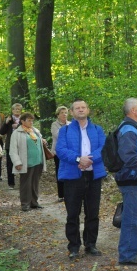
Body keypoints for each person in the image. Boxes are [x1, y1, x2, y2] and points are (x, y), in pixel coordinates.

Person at [55, 99, 107, 260]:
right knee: (73, 213)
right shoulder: (65, 131)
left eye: (83, 107)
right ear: (71, 112)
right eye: (77, 108)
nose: (80, 110)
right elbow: (61, 150)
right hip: (72, 176)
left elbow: (104, 148)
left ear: (88, 110)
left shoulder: (97, 129)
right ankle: (74, 246)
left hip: (93, 175)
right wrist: (78, 159)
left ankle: (90, 244)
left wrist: (90, 159)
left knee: (92, 212)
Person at [115, 98, 137, 265]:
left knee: (135, 216)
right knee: (133, 218)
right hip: (131, 178)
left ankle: (132, 249)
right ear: (133, 110)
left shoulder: (134, 127)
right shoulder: (129, 129)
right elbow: (128, 156)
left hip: (136, 177)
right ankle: (127, 255)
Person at [9, 113, 48, 212]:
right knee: (25, 183)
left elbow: (39, 141)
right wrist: (17, 162)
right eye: (29, 120)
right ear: (22, 121)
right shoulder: (17, 133)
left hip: (38, 161)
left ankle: (34, 202)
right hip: (26, 162)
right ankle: (25, 204)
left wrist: (43, 141)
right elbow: (13, 150)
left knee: (35, 183)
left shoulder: (35, 130)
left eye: (32, 120)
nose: (31, 122)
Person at [0, 103, 23, 189]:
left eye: (19, 109)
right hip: (10, 144)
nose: (17, 111)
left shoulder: (23, 119)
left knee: (22, 162)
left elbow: (28, 129)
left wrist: (18, 126)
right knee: (10, 164)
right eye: (15, 109)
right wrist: (6, 123)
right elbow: (2, 132)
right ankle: (11, 183)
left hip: (21, 144)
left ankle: (23, 182)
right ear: (12, 110)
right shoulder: (8, 119)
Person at [51, 105, 70, 202]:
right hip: (58, 153)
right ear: (58, 115)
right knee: (59, 172)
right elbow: (58, 135)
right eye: (62, 113)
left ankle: (68, 193)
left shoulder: (71, 124)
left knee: (68, 171)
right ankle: (61, 195)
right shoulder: (54, 125)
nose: (64, 114)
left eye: (65, 113)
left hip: (69, 152)